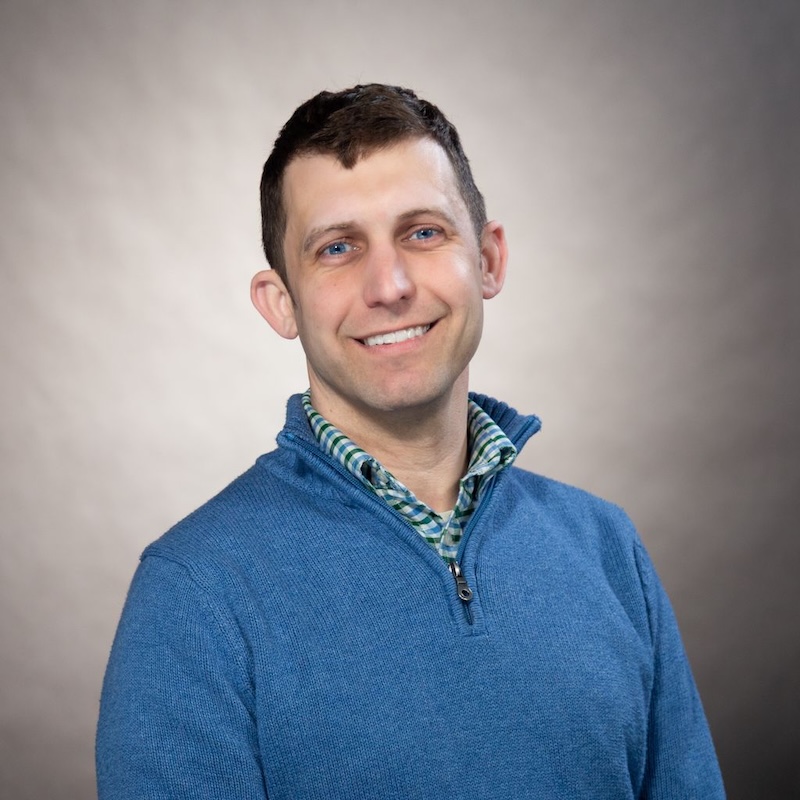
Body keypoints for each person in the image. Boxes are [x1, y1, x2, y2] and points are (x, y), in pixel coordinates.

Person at [96, 84, 725, 799]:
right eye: (338, 248)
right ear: (282, 303)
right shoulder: (194, 597)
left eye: (423, 233)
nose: (389, 285)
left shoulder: (608, 550)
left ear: (487, 260)